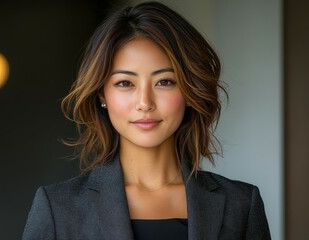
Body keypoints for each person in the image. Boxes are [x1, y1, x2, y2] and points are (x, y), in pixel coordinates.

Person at [22, 1, 271, 239]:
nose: (145, 102)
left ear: (188, 90)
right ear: (102, 94)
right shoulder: (57, 207)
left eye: (164, 82)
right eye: (125, 83)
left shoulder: (241, 204)